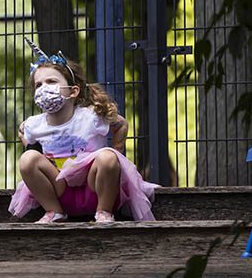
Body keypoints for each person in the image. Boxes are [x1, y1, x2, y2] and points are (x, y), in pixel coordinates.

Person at [9, 42, 155, 223]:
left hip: (94, 187)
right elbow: (26, 139)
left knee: (108, 158)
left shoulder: (91, 117)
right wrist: (27, 138)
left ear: (73, 91)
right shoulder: (34, 125)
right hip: (61, 190)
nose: (44, 88)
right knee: (27, 159)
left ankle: (104, 212)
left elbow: (121, 124)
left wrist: (116, 152)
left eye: (51, 82)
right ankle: (54, 212)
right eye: (39, 85)